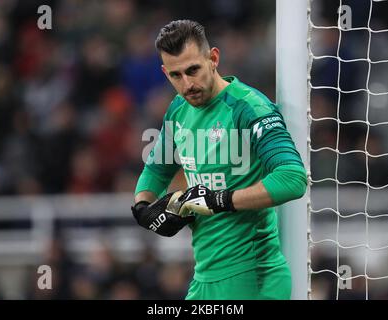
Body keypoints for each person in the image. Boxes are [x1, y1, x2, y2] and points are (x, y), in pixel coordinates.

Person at [131, 20, 307, 300]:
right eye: (176, 75)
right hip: (205, 279)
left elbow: (293, 179)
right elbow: (157, 167)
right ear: (165, 73)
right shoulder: (179, 109)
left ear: (213, 58)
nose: (187, 84)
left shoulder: (249, 107)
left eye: (193, 70)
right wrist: (142, 207)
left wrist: (220, 200)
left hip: (254, 278)